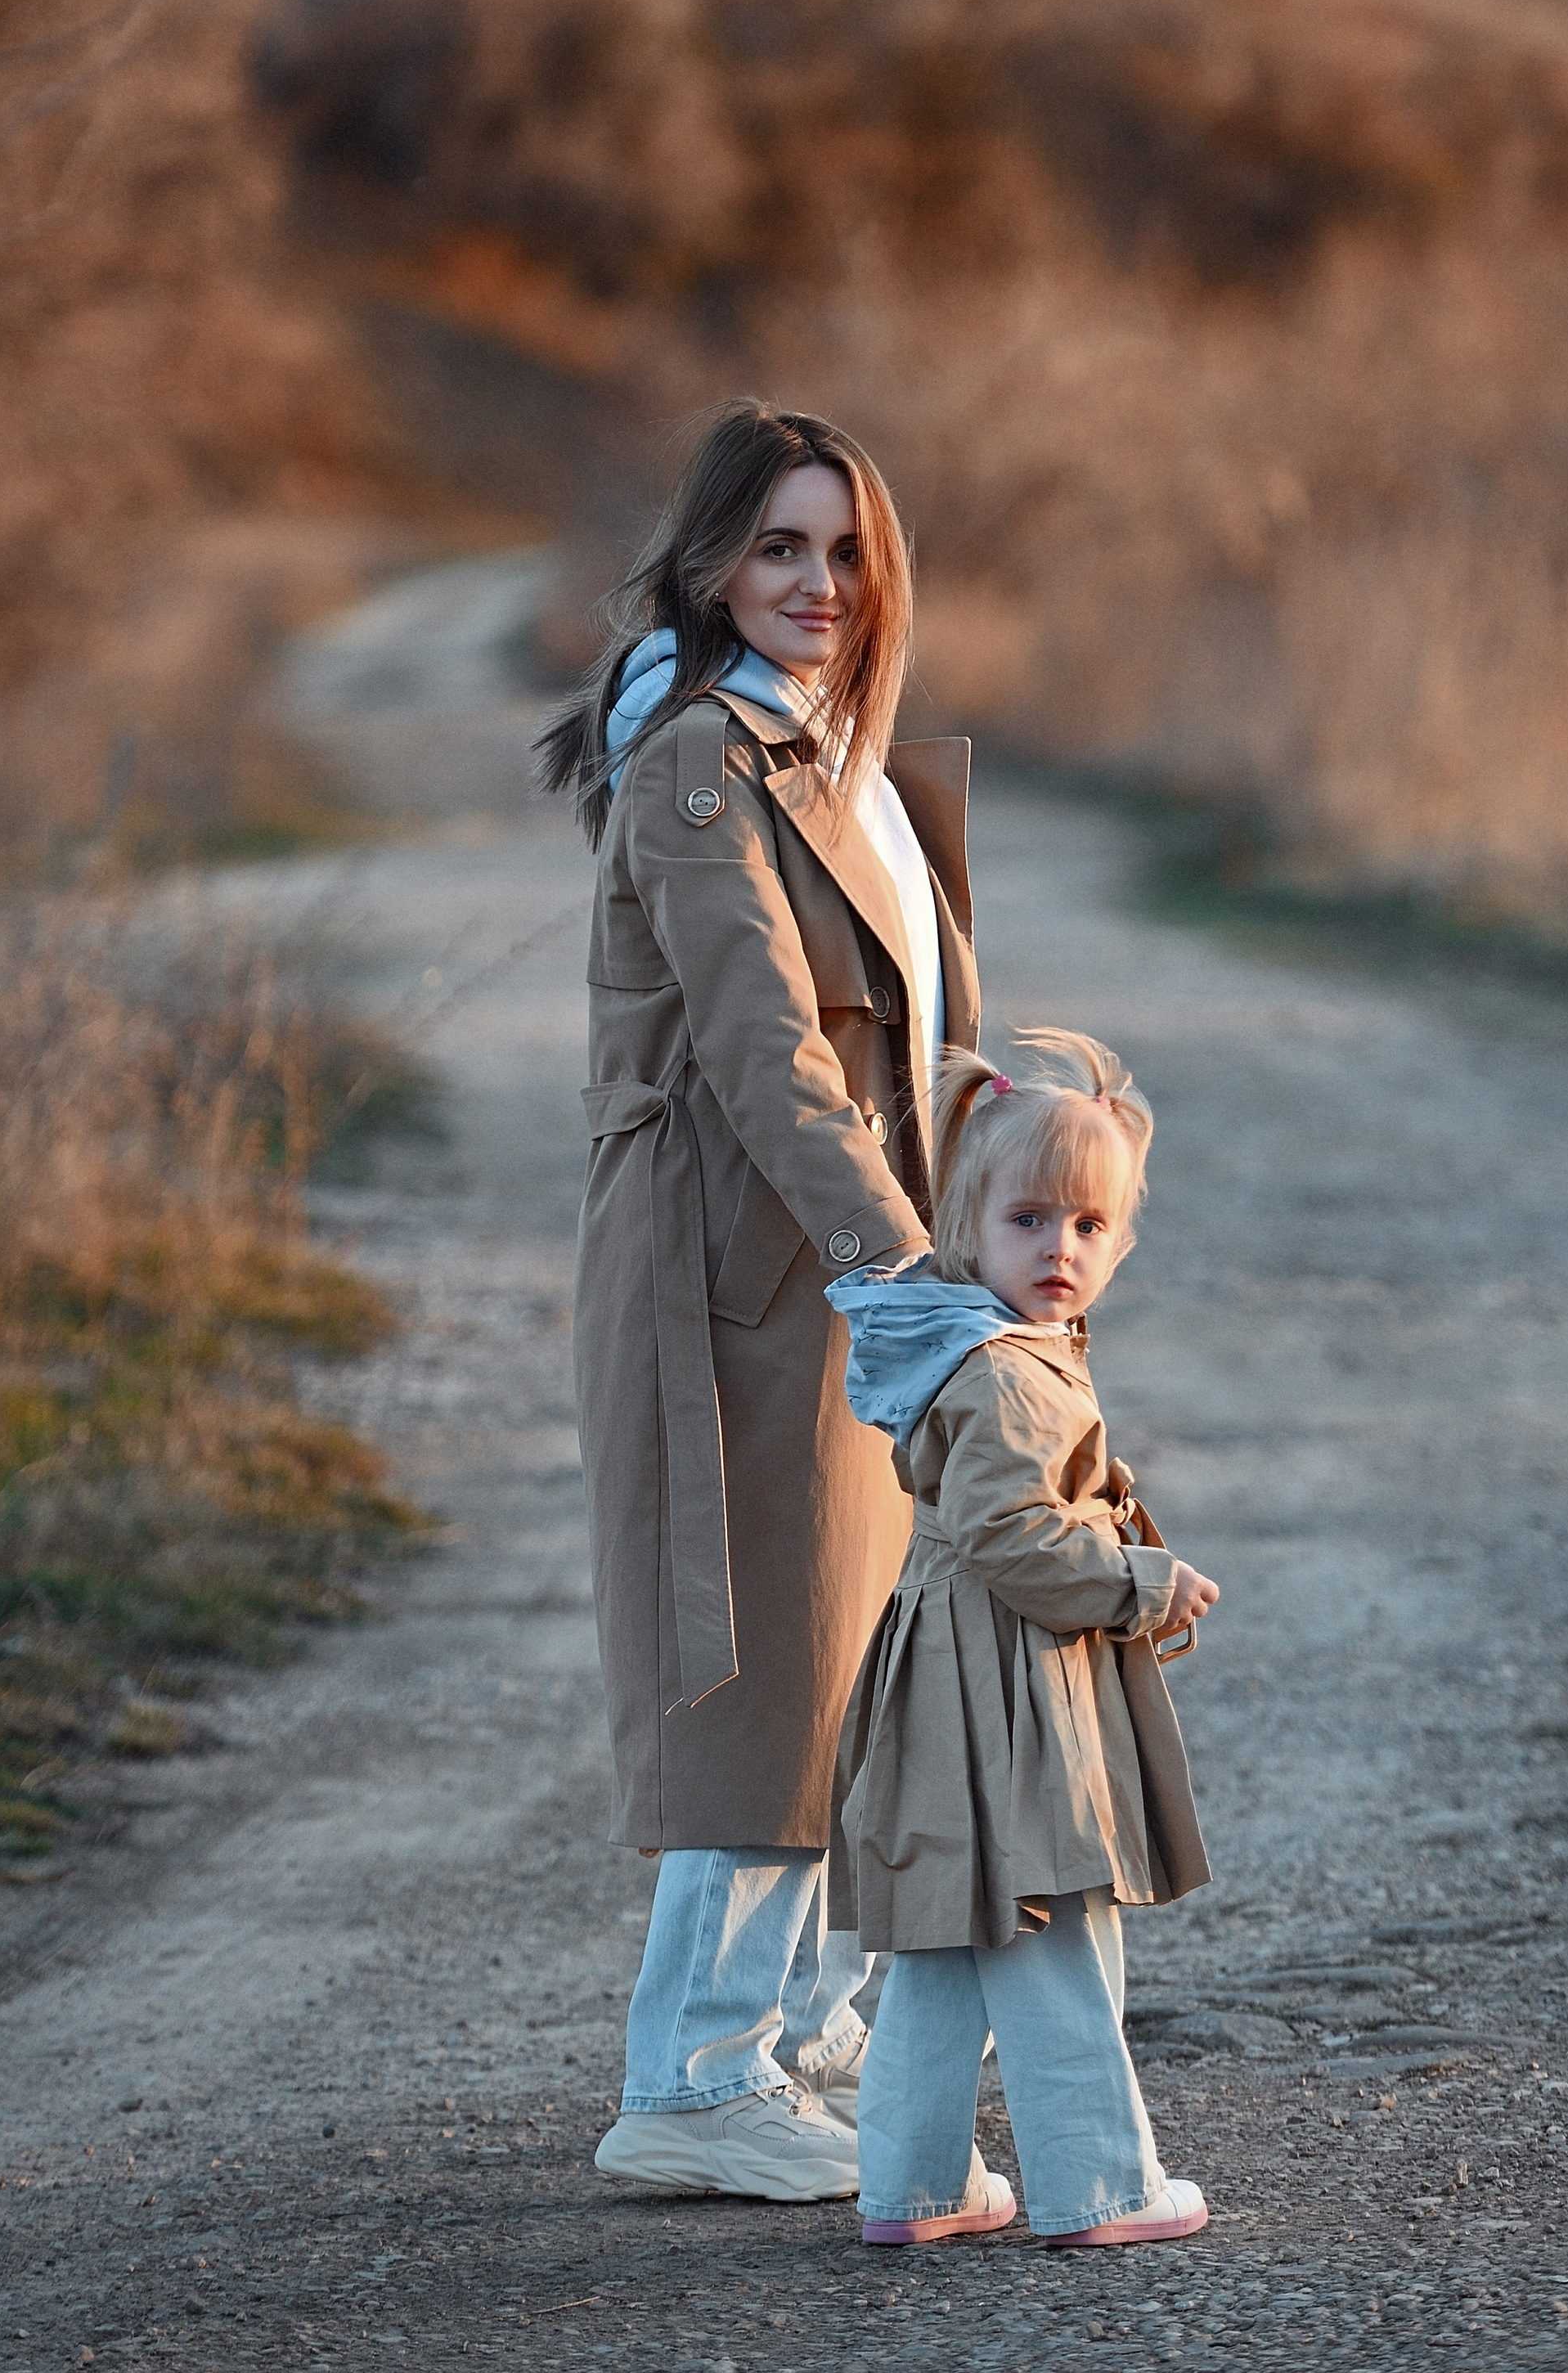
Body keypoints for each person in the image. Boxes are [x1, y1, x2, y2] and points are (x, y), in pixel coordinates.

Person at [538, 401, 982, 2203]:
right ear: (711, 560)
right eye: (778, 547)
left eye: (844, 547)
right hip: (728, 1269)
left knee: (855, 1663)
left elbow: (902, 1036)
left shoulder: (838, 760)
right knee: (755, 1664)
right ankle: (693, 2079)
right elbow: (760, 1050)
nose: (816, 582)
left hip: (833, 1254)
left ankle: (783, 2050)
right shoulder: (700, 764)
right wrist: (903, 1273)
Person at [824, 1029, 1220, 2248]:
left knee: (950, 1936)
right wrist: (1140, 1580)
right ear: (964, 1226)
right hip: (1006, 1685)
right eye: (1031, 1221)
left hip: (955, 1676)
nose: (1062, 1250)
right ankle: (1102, 2187)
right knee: (1054, 1928)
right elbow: (1009, 1533)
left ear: (1123, 1239)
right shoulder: (1007, 1373)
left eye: (1090, 1228)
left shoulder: (986, 1347)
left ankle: (911, 2186)